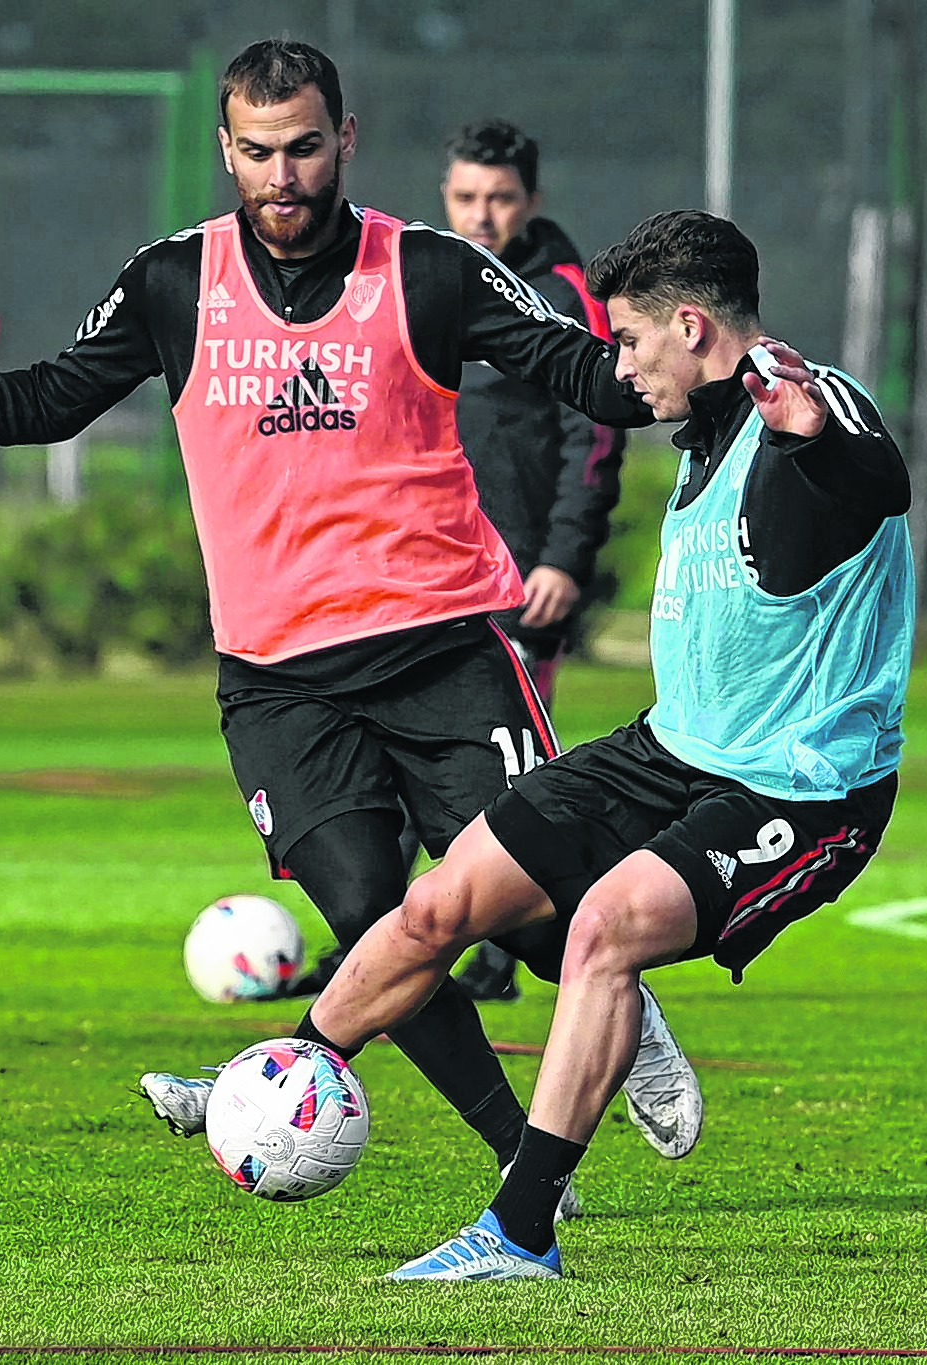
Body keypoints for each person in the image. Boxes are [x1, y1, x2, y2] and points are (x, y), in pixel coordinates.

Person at [0, 41, 704, 1183]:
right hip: (279, 680)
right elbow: (53, 399)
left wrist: (702, 359)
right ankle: (520, 1164)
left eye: (303, 147)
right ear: (224, 150)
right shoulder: (171, 281)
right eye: (256, 152)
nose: (282, 174)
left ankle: (622, 1008)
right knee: (369, 928)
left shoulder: (429, 271)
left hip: (441, 650)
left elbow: (584, 374)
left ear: (343, 140)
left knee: (526, 913)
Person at [274, 210, 915, 1281]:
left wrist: (812, 436)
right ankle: (279, 1073)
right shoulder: (705, 430)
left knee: (603, 930)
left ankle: (520, 1232)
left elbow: (870, 483)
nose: (616, 368)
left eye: (627, 341)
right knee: (439, 900)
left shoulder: (810, 404)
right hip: (671, 750)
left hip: (801, 791)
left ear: (693, 328)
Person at [290, 117, 627, 1007]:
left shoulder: (562, 289)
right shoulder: (422, 279)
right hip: (418, 570)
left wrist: (563, 557)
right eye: (467, 196)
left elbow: (592, 439)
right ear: (445, 194)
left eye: (501, 198)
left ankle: (500, 952)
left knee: (502, 774)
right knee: (390, 762)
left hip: (517, 576)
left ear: (532, 201)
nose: (483, 213)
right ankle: (376, 947)